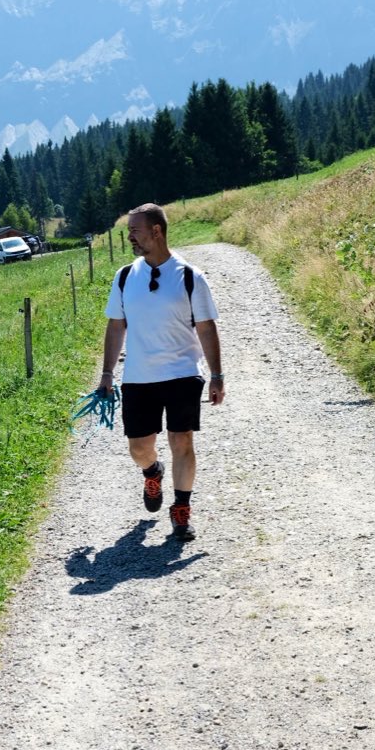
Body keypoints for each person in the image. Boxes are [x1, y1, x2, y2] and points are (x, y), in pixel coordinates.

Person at [98, 203, 225, 541]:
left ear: (156, 231)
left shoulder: (188, 277)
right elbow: (115, 326)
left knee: (181, 440)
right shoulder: (125, 277)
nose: (130, 239)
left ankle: (181, 510)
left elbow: (207, 328)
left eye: (135, 231)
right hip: (139, 377)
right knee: (139, 447)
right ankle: (152, 471)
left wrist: (216, 375)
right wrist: (107, 373)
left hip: (182, 372)